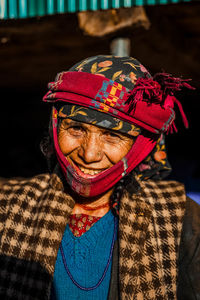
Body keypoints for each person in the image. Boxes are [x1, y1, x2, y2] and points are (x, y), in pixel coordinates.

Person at [0, 55, 199, 300]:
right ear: (55, 126)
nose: (89, 153)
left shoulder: (180, 219)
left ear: (140, 147)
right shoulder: (8, 206)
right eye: (76, 128)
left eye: (112, 135)